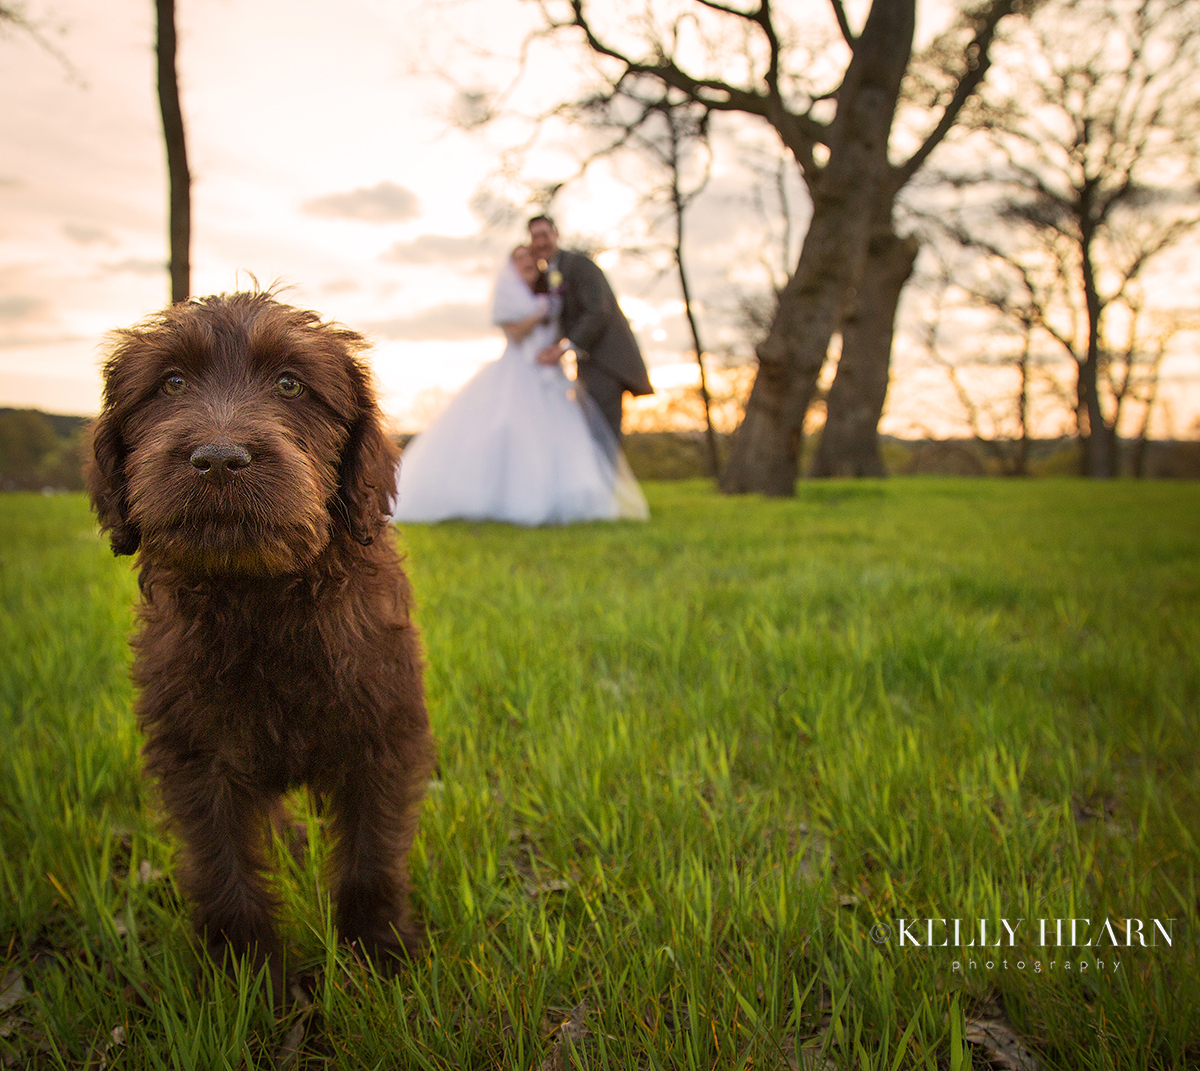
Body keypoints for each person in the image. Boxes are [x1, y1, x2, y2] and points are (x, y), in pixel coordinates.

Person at [391, 245, 649, 526]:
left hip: (551, 375)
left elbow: (570, 323)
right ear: (512, 266)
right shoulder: (511, 295)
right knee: (510, 429)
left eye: (529, 257)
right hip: (517, 372)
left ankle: (572, 502)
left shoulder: (552, 290)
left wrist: (558, 345)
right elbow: (515, 336)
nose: (527, 262)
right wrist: (540, 312)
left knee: (564, 435)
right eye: (519, 259)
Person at [527, 215, 654, 441]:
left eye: (544, 234)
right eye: (535, 237)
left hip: (606, 363)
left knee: (602, 437)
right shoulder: (549, 273)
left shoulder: (580, 265)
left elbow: (598, 311)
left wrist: (564, 347)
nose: (541, 242)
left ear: (556, 234)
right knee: (590, 436)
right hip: (586, 365)